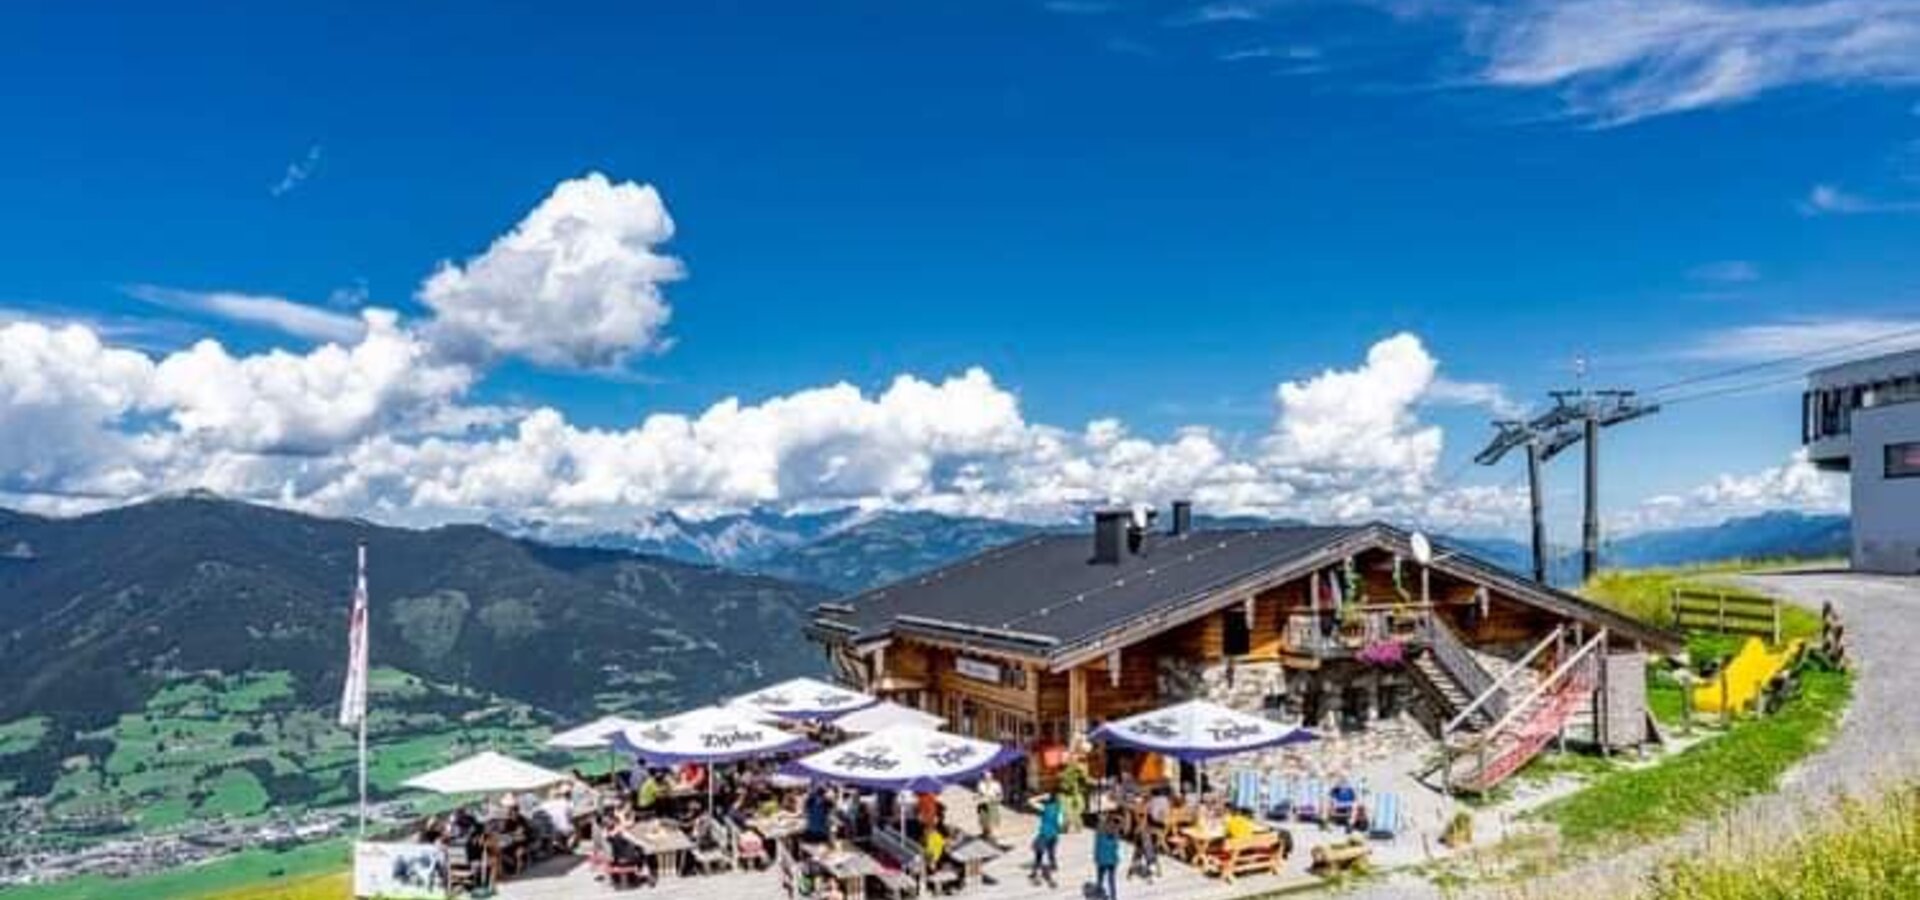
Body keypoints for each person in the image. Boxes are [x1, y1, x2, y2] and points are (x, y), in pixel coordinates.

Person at [1029, 793, 1062, 886]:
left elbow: (1030, 801)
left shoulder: (1045, 808)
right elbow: (1060, 824)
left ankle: (1037, 877)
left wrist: (1041, 796)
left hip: (1044, 834)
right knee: (1051, 856)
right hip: (1053, 836)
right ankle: (1051, 878)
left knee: (1039, 856)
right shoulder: (1059, 808)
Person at [1093, 817, 1121, 900]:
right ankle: (1113, 896)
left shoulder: (1100, 832)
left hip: (1101, 859)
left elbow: (1097, 846)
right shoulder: (1115, 832)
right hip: (1112, 860)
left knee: (1100, 878)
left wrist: (1096, 857)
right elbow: (1116, 846)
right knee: (1111, 880)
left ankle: (1099, 892)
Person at [974, 769, 1003, 843]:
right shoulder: (981, 784)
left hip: (992, 804)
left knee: (992, 820)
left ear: (992, 777)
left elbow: (1000, 795)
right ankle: (985, 833)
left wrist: (997, 799)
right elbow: (979, 793)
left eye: (988, 776)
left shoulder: (996, 784)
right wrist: (976, 796)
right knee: (983, 820)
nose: (987, 778)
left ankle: (992, 835)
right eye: (985, 777)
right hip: (983, 803)